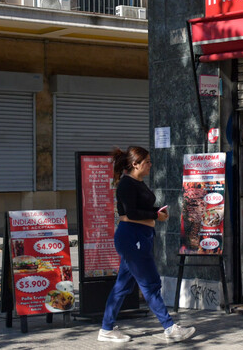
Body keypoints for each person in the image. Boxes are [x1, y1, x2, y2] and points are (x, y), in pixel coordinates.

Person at [97, 146, 196, 343]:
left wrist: (157, 211)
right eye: (147, 162)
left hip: (140, 238)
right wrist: (154, 215)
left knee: (122, 286)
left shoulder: (138, 182)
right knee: (150, 284)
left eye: (150, 161)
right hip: (132, 239)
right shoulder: (126, 185)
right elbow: (131, 213)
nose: (150, 165)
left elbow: (140, 208)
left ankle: (106, 329)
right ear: (135, 164)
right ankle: (170, 328)